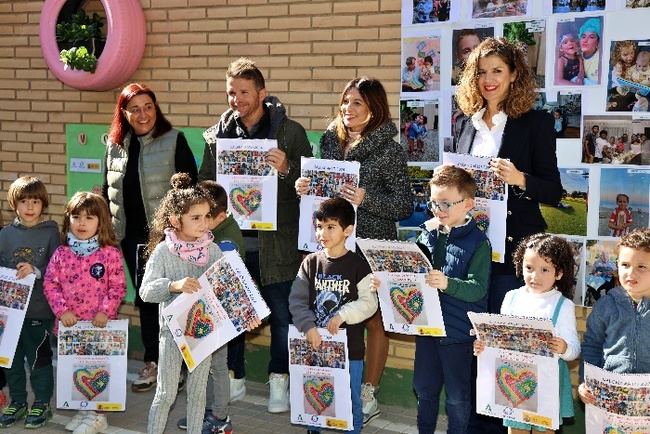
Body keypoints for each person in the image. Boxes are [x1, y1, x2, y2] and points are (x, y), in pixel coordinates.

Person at [453, 37, 562, 434]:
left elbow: (553, 189)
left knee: (506, 348)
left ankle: (508, 427)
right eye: (480, 72)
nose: (488, 79)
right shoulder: (465, 122)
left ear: (515, 74)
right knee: (474, 344)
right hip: (468, 250)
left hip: (511, 252)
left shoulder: (536, 122)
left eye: (497, 70)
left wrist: (519, 179)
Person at [295, 77, 412, 425]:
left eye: (357, 102)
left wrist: (367, 199)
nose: (348, 108)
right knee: (330, 312)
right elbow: (320, 192)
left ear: (374, 107)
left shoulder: (390, 150)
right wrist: (305, 186)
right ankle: (332, 384)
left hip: (370, 247)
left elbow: (404, 204)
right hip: (333, 248)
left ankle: (368, 392)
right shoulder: (330, 141)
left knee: (374, 319)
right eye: (345, 101)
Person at [198, 57, 312, 413]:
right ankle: (236, 377)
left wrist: (287, 168)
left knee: (282, 316)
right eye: (232, 92)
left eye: (244, 92)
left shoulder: (290, 132)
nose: (237, 99)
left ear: (261, 93)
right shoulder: (218, 134)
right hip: (232, 241)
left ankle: (279, 379)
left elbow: (309, 187)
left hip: (277, 243)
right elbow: (204, 183)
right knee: (233, 314)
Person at [103, 82, 197, 393]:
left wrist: (177, 229)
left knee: (173, 300)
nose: (143, 114)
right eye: (135, 108)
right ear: (124, 112)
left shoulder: (174, 140)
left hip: (166, 239)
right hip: (130, 239)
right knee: (146, 300)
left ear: (156, 109)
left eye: (148, 107)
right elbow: (109, 191)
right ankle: (153, 362)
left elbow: (190, 191)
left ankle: (180, 365)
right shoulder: (114, 146)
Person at [139, 173, 230, 434]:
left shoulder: (212, 250)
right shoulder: (164, 251)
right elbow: (146, 291)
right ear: (175, 220)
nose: (204, 224)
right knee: (166, 392)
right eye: (196, 218)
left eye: (206, 216)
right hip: (172, 334)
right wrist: (173, 286)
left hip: (203, 333)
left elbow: (226, 290)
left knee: (198, 393)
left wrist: (244, 314)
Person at [289, 197, 378, 434]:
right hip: (314, 346)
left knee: (350, 400)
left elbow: (369, 304)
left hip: (350, 350)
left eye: (330, 227)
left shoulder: (360, 265)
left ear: (347, 230)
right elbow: (296, 300)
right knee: (313, 395)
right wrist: (308, 327)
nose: (322, 233)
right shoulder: (310, 262)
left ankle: (353, 429)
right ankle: (313, 430)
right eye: (319, 226)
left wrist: (342, 315)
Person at [474, 234, 580, 434]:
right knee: (516, 429)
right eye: (529, 268)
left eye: (544, 270)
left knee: (543, 430)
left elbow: (574, 348)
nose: (534, 276)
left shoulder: (563, 305)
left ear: (559, 273)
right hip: (512, 377)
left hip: (547, 382)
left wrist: (564, 348)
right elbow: (500, 339)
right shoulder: (511, 297)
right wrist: (484, 347)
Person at [412, 165, 491, 434]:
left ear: (468, 204)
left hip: (458, 334)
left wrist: (447, 283)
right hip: (427, 328)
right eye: (433, 202)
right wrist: (388, 282)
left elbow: (478, 289)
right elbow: (412, 271)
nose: (438, 209)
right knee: (424, 390)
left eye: (446, 203)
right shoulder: (428, 233)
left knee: (457, 398)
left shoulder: (479, 242)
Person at [43, 192, 126, 434]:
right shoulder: (62, 253)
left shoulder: (109, 253)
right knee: (76, 367)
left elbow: (117, 287)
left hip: (99, 326)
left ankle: (98, 416)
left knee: (98, 368)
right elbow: (50, 284)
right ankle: (84, 408)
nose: (81, 223)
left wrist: (105, 312)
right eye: (76, 217)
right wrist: (62, 311)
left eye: (89, 218)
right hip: (71, 327)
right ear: (68, 219)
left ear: (101, 222)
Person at [176, 180, 246, 431]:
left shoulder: (226, 241)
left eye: (206, 217)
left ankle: (220, 417)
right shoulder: (213, 234)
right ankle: (205, 411)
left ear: (221, 216)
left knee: (217, 367)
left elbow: (224, 277)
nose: (202, 224)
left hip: (218, 314)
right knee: (200, 365)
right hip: (203, 312)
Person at [0, 177, 59, 429]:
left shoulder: (51, 232)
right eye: (24, 201)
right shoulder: (5, 234)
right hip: (9, 314)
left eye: (35, 201)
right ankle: (18, 401)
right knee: (10, 359)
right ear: (14, 204)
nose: (30, 206)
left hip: (39, 310)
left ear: (42, 203)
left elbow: (59, 269)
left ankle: (42, 403)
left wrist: (36, 270)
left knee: (39, 358)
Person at [579, 229, 650, 405]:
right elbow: (592, 346)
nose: (631, 273)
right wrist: (585, 382)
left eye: (641, 267)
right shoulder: (605, 305)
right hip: (611, 396)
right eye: (625, 265)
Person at [579, 17, 601, 85]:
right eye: (583, 37)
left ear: (598, 42)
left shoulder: (601, 58)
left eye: (591, 37)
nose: (585, 40)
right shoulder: (577, 55)